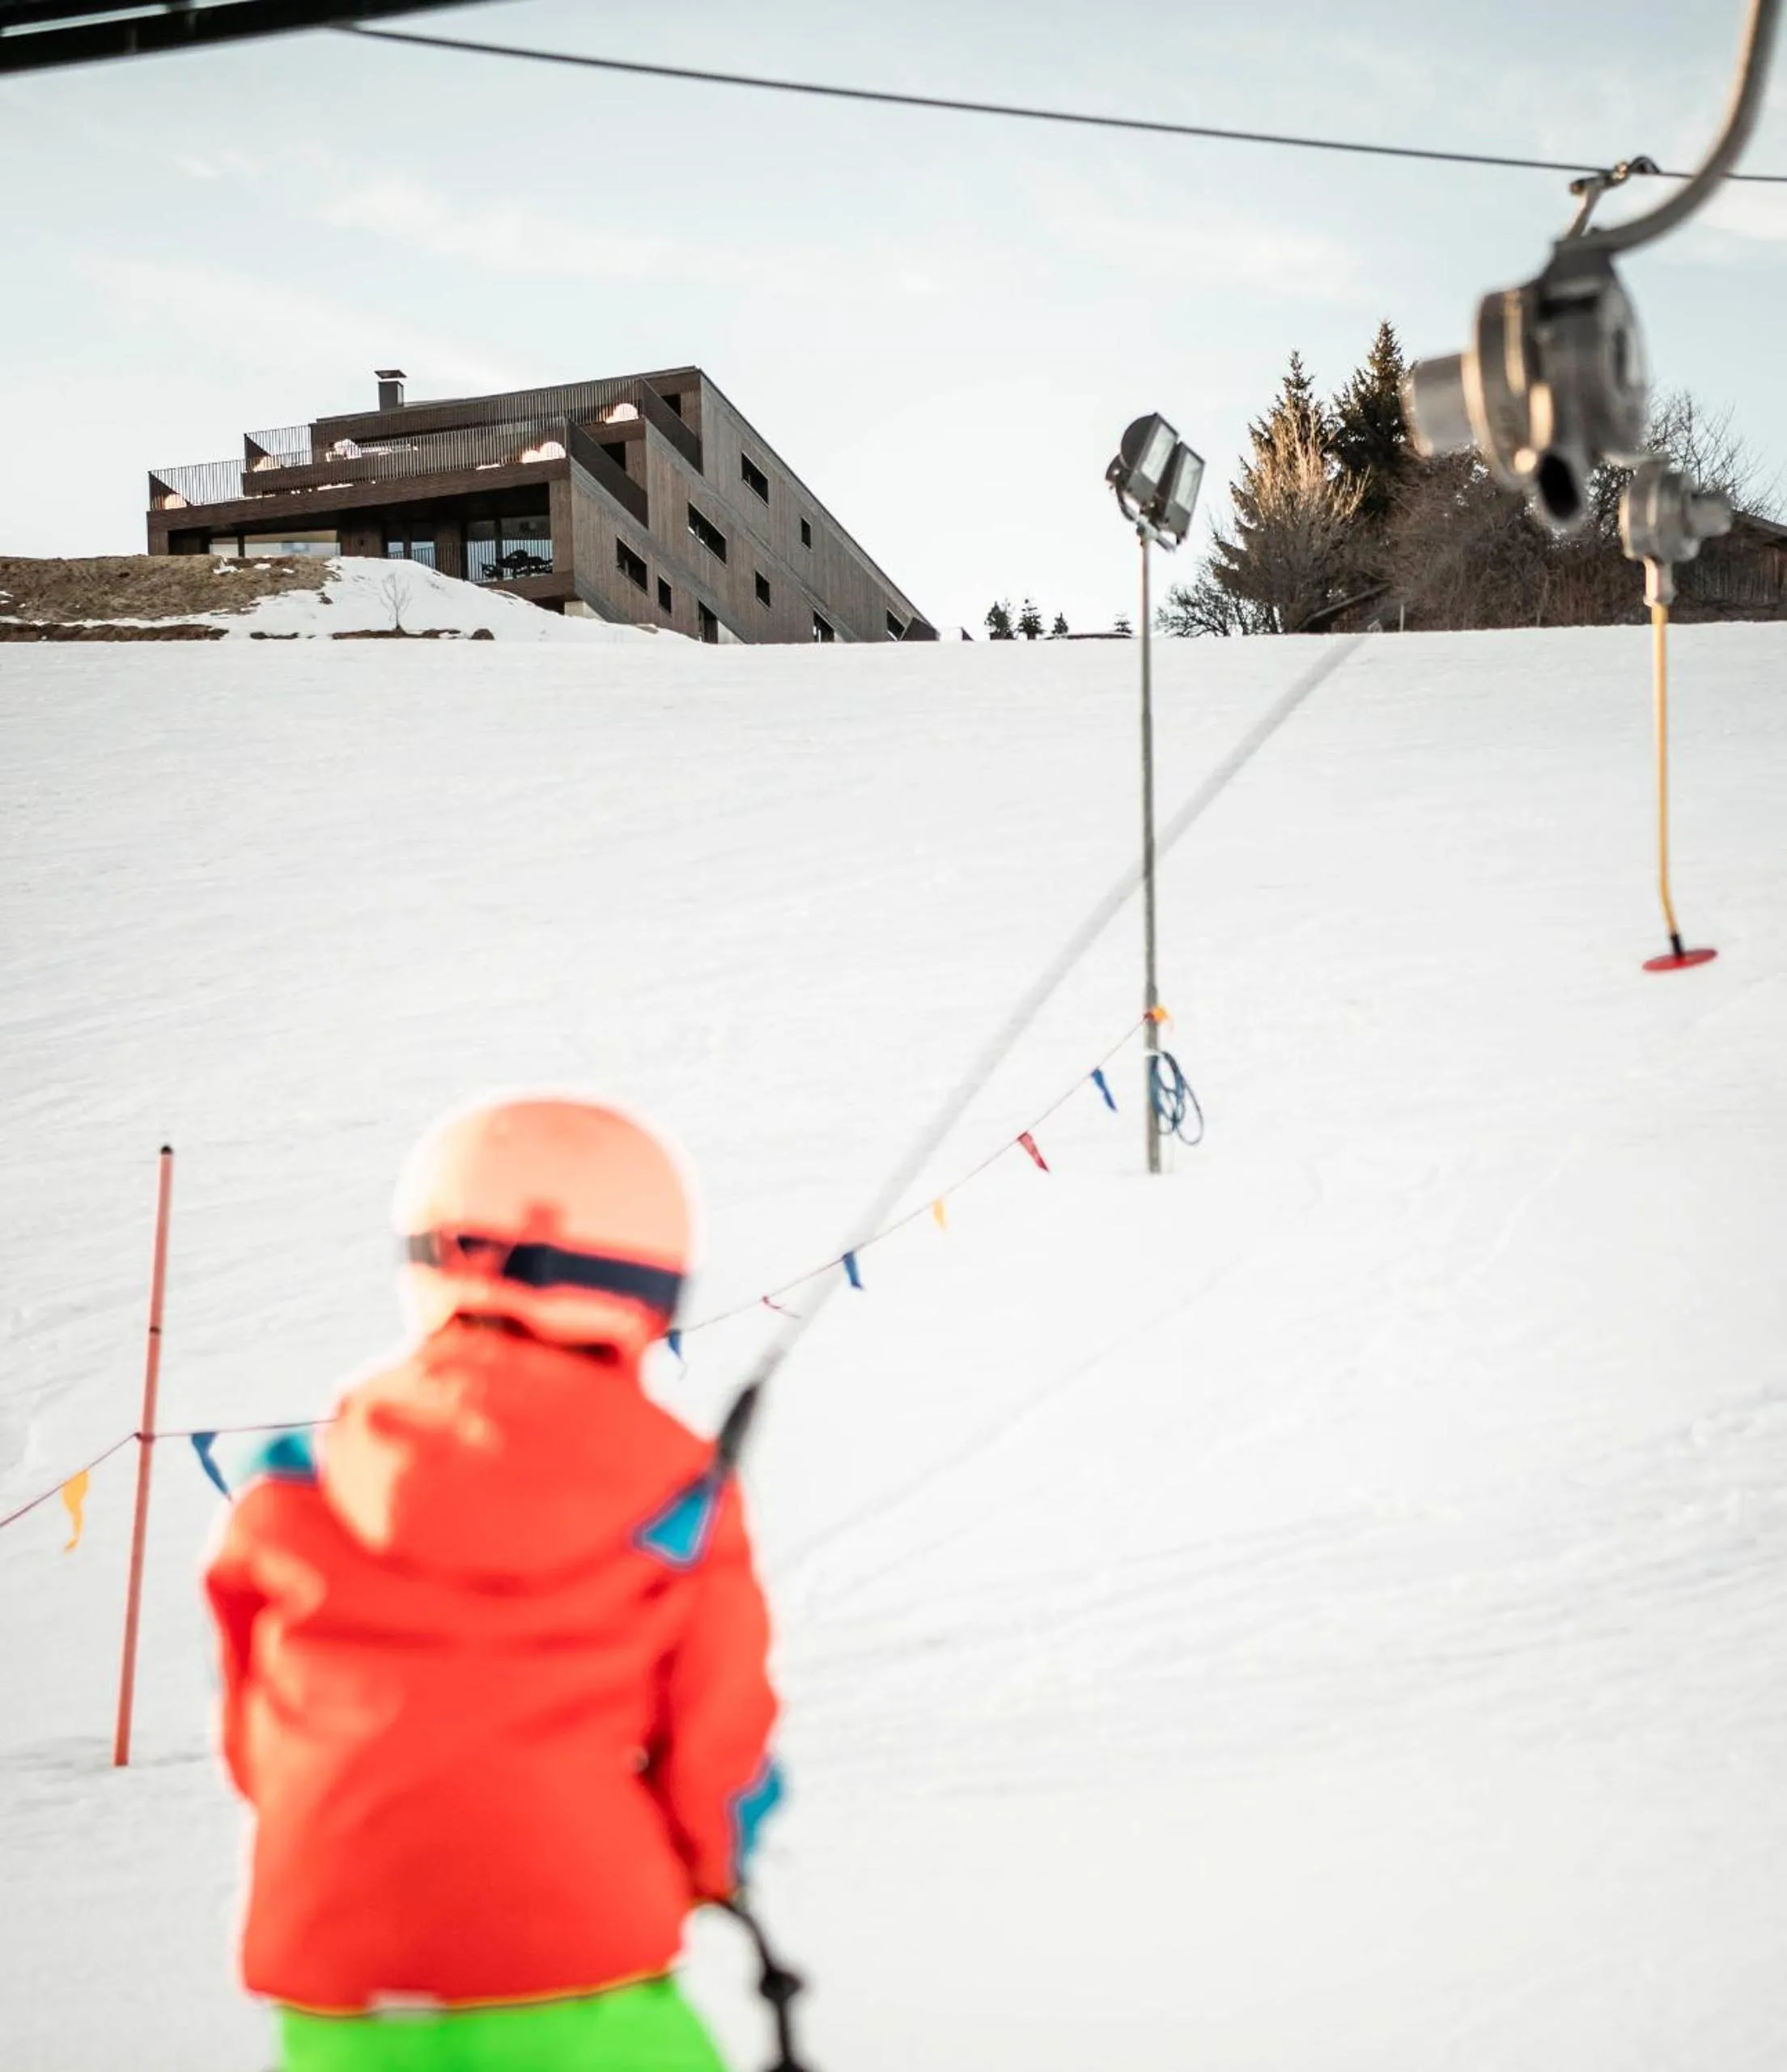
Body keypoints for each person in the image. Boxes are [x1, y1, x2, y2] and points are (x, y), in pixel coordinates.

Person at [204, 1097, 780, 2072]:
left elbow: (258, 1731)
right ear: (653, 1283)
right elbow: (715, 1743)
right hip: (576, 1965)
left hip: (339, 1982)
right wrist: (711, 1864)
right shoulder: (678, 1497)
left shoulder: (301, 1473)